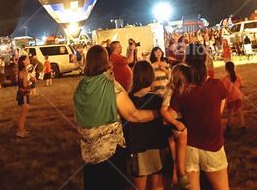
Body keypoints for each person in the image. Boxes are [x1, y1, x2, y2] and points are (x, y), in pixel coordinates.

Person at [74, 45, 157, 190]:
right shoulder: (110, 85)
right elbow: (133, 115)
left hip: (88, 152)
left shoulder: (80, 86)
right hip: (110, 152)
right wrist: (157, 113)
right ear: (106, 61)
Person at [171, 44, 230, 190]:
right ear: (205, 59)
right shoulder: (217, 85)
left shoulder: (181, 89)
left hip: (189, 148)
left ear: (186, 61)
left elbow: (171, 114)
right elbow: (221, 107)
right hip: (213, 145)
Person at [125, 61, 171, 190]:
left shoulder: (127, 101)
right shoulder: (158, 100)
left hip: (138, 148)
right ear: (151, 77)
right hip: (157, 146)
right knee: (157, 185)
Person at [162, 64, 191, 189]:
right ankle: (181, 174)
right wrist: (175, 123)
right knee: (180, 143)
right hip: (173, 121)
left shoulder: (184, 90)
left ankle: (176, 177)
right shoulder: (170, 90)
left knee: (175, 150)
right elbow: (163, 110)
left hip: (177, 120)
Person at [14, 56, 34, 138]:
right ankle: (20, 131)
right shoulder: (23, 72)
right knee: (23, 114)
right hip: (23, 94)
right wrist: (31, 80)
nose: (29, 60)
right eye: (27, 59)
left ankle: (22, 129)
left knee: (24, 113)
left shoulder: (24, 71)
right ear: (23, 61)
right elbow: (25, 85)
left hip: (25, 94)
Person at [222, 61, 244, 131]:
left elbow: (224, 89)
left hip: (230, 97)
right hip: (238, 96)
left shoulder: (225, 79)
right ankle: (243, 125)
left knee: (230, 112)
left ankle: (229, 125)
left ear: (226, 69)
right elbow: (240, 85)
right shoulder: (238, 76)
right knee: (239, 111)